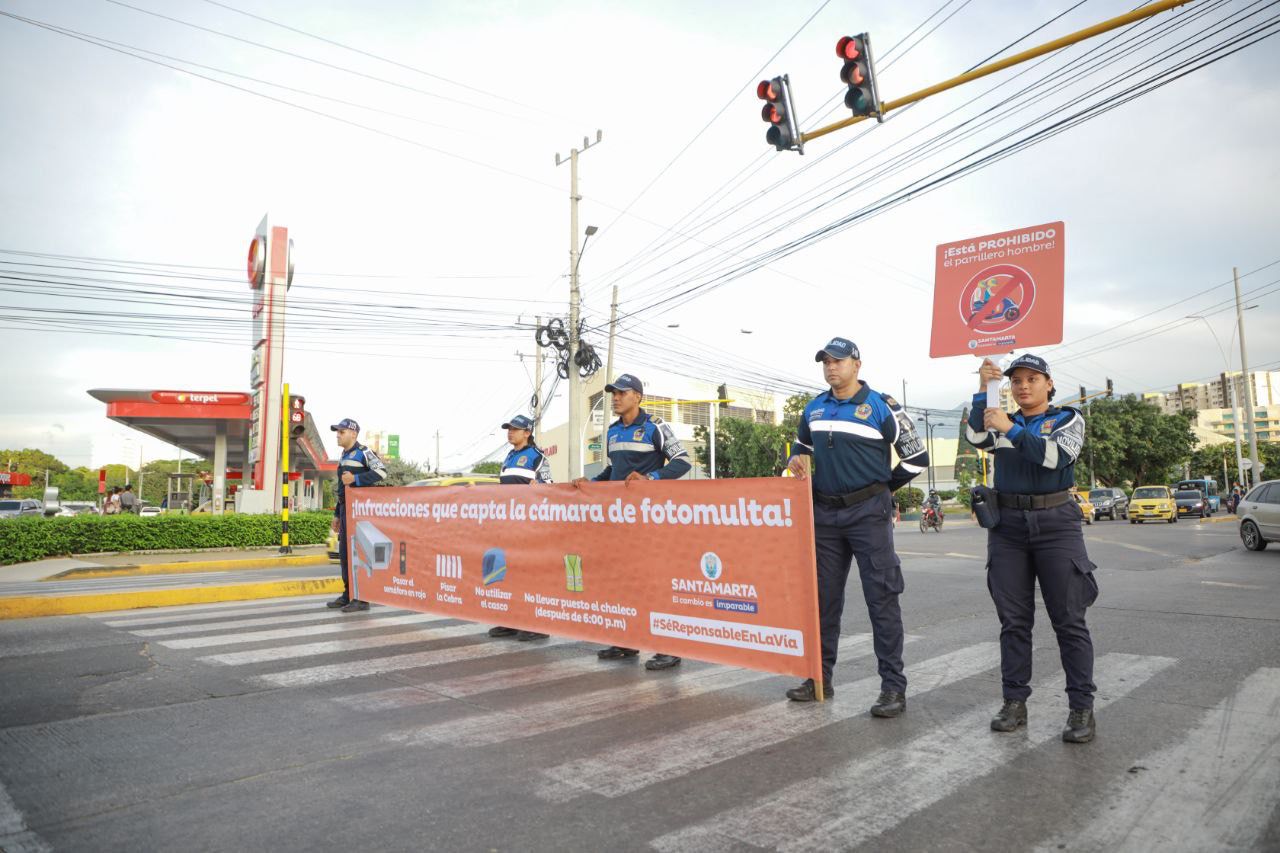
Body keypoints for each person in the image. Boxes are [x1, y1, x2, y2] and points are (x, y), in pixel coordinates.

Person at [785, 337, 928, 714]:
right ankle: (820, 678)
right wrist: (796, 461)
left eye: (839, 361)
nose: (832, 367)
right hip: (825, 516)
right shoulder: (814, 408)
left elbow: (917, 458)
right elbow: (800, 451)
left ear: (857, 364)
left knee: (881, 599)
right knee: (822, 601)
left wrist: (880, 489)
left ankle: (893, 688)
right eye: (826, 362)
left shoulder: (882, 406)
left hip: (869, 514)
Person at [967, 353, 1099, 744]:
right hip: (1007, 527)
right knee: (1013, 622)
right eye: (1016, 381)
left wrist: (1012, 427)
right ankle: (1014, 703)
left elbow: (1057, 457)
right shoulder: (1002, 419)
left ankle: (1081, 709)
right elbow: (976, 437)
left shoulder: (1067, 419)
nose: (1023, 386)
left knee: (1069, 620)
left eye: (1032, 379)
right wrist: (982, 393)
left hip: (1056, 523)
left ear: (1049, 383)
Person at [572, 373, 691, 671]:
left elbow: (682, 461)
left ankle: (670, 648)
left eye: (621, 393)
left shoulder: (655, 427)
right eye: (613, 393)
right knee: (622, 581)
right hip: (619, 522)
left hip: (649, 522)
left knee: (655, 582)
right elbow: (614, 470)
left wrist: (651, 478)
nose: (615, 398)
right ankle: (625, 642)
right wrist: (591, 482)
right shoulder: (611, 432)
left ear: (637, 396)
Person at [489, 414, 553, 642]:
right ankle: (513, 621)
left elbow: (549, 487)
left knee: (530, 575)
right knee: (512, 573)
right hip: (510, 524)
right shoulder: (508, 457)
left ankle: (538, 624)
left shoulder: (537, 457)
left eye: (515, 429)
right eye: (509, 428)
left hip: (530, 525)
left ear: (527, 433)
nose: (510, 432)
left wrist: (540, 487)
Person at [328, 418, 388, 613]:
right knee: (345, 554)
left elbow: (382, 472)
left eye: (341, 432)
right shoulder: (344, 455)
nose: (338, 435)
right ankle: (348, 594)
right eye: (337, 432)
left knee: (358, 553)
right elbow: (342, 488)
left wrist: (357, 478)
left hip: (360, 512)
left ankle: (362, 598)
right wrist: (337, 514)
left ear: (353, 434)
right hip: (346, 511)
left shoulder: (364, 452)